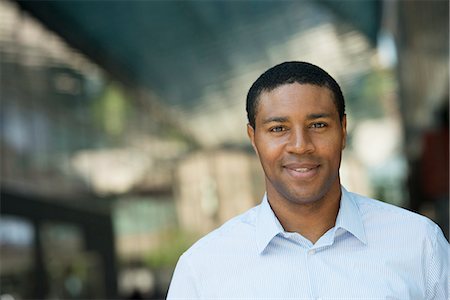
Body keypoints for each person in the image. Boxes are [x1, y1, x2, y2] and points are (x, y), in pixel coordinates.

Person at [167, 62, 448, 299]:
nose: (300, 146)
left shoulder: (420, 244)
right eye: (278, 128)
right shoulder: (202, 269)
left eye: (318, 125)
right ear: (254, 139)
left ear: (343, 130)